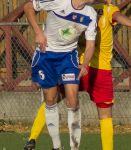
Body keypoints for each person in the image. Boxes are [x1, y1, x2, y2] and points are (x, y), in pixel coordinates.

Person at [23, 0, 97, 150]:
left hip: (68, 57)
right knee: (50, 100)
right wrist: (38, 32)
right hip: (46, 55)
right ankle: (57, 146)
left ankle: (74, 147)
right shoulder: (59, 1)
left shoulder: (91, 14)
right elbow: (28, 7)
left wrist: (85, 63)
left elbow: (90, 44)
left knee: (73, 100)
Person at [79, 2, 131, 150]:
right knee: (105, 114)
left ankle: (32, 139)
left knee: (52, 99)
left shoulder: (80, 7)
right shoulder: (108, 9)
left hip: (79, 65)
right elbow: (119, 16)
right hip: (100, 70)